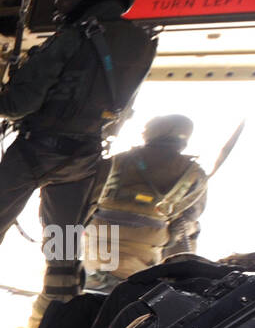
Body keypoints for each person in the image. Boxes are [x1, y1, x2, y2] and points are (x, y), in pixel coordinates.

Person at [0, 0, 157, 328]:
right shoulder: (143, 42)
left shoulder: (73, 37)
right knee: (65, 240)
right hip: (84, 157)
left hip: (35, 150)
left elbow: (22, 102)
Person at [83, 114, 208, 291]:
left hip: (95, 244)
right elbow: (190, 215)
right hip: (144, 255)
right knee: (191, 228)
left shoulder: (117, 161)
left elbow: (88, 197)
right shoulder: (195, 173)